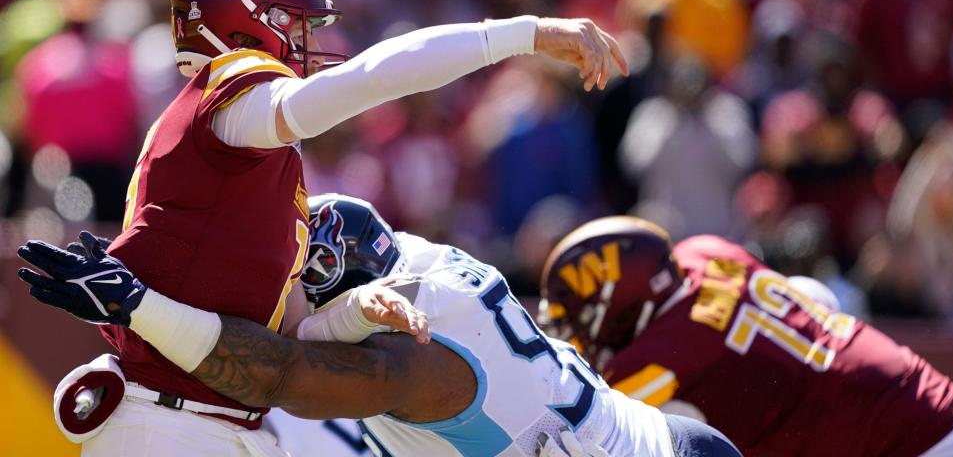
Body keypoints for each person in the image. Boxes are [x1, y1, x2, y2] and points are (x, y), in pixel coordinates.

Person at [74, 0, 628, 454]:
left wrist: (355, 313)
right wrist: (527, 33)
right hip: (172, 422)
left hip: (221, 420)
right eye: (295, 25)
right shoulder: (229, 98)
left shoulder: (242, 162)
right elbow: (373, 78)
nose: (308, 45)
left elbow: (285, 343)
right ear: (250, 28)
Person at [18, 193, 742, 457]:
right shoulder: (418, 260)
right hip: (664, 438)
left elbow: (280, 371)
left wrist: (139, 306)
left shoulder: (411, 361)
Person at [538, 217, 953, 457]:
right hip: (924, 397)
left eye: (578, 320)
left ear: (619, 304)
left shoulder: (665, 356)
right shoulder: (704, 251)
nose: (577, 338)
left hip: (906, 443)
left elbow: (573, 420)